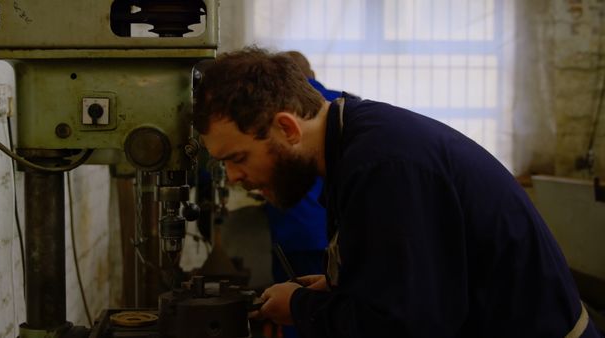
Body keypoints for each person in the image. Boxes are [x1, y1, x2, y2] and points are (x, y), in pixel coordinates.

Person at [192, 47, 602, 337]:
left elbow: (407, 324)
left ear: (287, 128)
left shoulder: (383, 166)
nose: (232, 177)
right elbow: (417, 281)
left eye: (238, 157)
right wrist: (346, 283)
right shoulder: (357, 141)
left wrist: (300, 308)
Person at [261, 50, 339, 338]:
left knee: (291, 306)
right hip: (335, 232)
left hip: (292, 230)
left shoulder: (277, 108)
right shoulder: (342, 103)